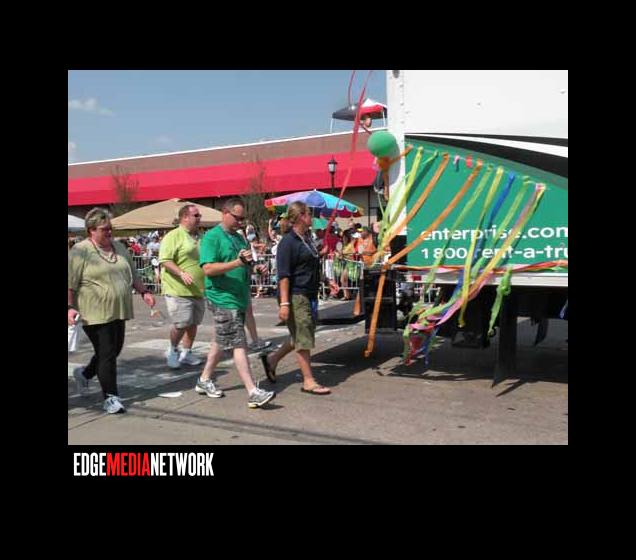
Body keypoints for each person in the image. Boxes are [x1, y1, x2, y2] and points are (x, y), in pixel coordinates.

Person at [68, 207, 156, 413]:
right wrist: (69, 307)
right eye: (104, 229)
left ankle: (85, 374)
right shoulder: (80, 251)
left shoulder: (118, 247)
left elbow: (133, 273)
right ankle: (111, 397)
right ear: (91, 230)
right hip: (93, 311)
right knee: (107, 353)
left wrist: (144, 292)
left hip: (118, 308)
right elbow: (70, 283)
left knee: (114, 349)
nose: (109, 232)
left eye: (110, 228)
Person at [197, 197, 276, 408]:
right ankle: (252, 391)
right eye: (237, 218)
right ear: (225, 213)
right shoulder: (212, 237)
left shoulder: (239, 237)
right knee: (238, 343)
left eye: (243, 218)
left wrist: (255, 268)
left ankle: (204, 379)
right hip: (223, 297)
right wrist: (237, 262)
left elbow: (245, 264)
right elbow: (208, 269)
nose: (241, 222)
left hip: (238, 296)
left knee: (221, 339)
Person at [260, 201, 331, 395]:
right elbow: (284, 275)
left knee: (301, 333)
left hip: (310, 293)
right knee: (302, 336)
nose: (312, 217)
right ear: (300, 216)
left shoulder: (306, 239)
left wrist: (325, 274)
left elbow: (308, 265)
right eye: (309, 214)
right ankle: (308, 381)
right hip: (295, 295)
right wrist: (284, 304)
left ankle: (272, 359)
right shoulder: (288, 242)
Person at [159, 204, 206, 369]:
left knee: (193, 323)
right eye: (196, 215)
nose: (199, 218)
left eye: (199, 215)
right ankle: (172, 350)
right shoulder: (173, 236)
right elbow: (165, 260)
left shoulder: (200, 236)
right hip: (178, 289)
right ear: (185, 217)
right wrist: (181, 273)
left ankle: (187, 352)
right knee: (181, 323)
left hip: (198, 289)